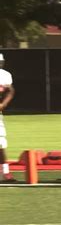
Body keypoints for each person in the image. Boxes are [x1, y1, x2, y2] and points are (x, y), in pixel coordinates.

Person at [0, 53, 15, 182]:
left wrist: (3, 104)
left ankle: (5, 172)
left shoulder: (5, 75)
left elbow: (10, 90)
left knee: (1, 143)